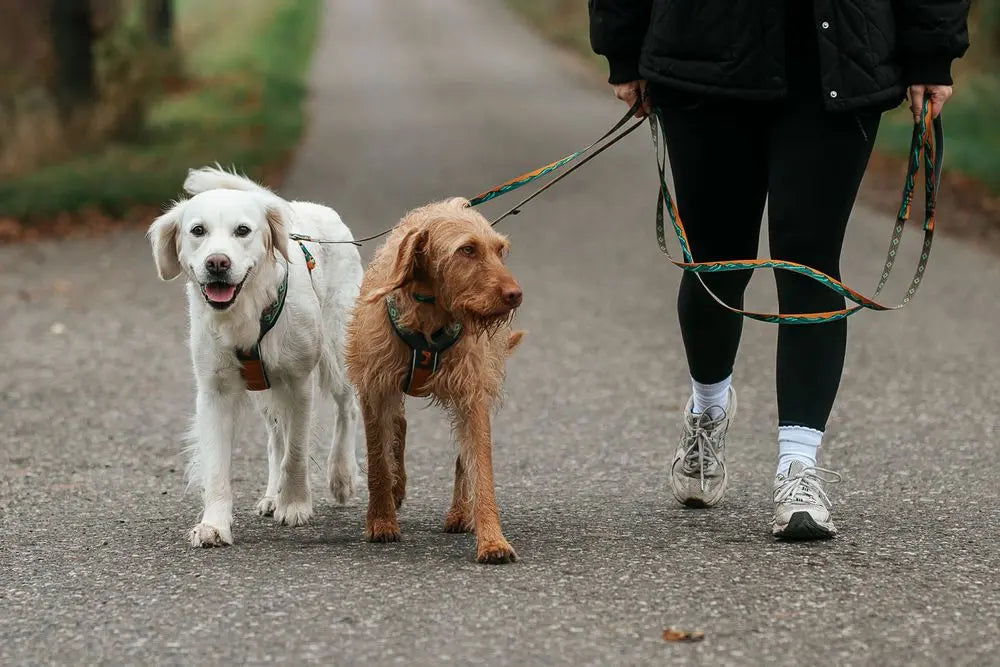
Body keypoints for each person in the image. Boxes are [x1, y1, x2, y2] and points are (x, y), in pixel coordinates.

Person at [588, 0, 970, 539]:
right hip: (702, 58)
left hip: (837, 61)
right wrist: (621, 45)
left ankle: (799, 466)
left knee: (810, 263)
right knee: (715, 261)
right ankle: (708, 408)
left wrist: (932, 51)